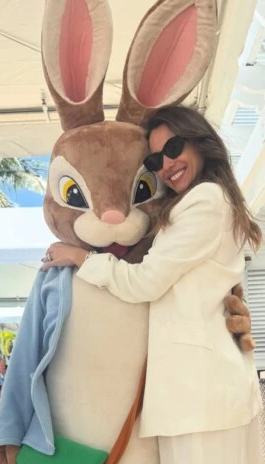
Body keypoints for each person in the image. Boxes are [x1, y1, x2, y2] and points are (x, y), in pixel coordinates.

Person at [43, 105, 262, 464]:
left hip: (202, 393)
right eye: (155, 160)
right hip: (198, 395)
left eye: (173, 148)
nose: (166, 165)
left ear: (200, 142)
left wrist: (81, 257)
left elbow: (145, 282)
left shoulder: (205, 200)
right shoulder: (199, 204)